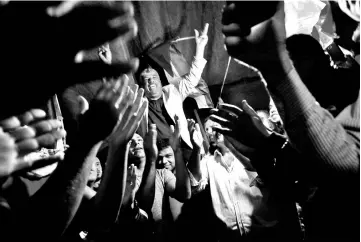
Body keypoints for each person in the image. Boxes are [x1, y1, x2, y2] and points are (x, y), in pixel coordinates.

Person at [219, 1, 359, 240]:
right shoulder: (302, 107)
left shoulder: (349, 86)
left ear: (319, 59)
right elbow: (296, 184)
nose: (333, 28)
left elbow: (345, 163)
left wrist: (275, 65)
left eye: (295, 61)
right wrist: (259, 149)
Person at [187, 116, 301, 242]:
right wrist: (196, 150)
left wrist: (231, 146)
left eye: (216, 125)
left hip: (264, 231)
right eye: (209, 128)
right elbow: (195, 185)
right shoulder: (208, 162)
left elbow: (261, 175)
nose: (213, 130)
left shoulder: (247, 153)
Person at [137, 23, 209, 148]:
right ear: (142, 86)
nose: (151, 81)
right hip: (158, 153)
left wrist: (200, 48)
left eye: (154, 77)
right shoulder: (138, 104)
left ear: (160, 81)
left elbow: (193, 77)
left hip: (183, 147)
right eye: (146, 79)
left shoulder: (173, 92)